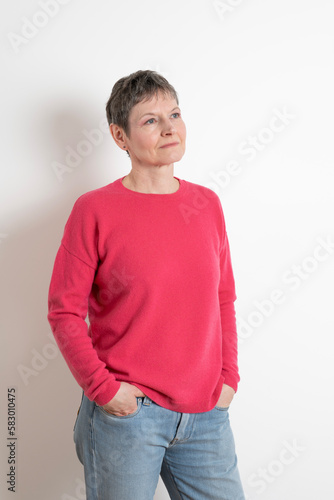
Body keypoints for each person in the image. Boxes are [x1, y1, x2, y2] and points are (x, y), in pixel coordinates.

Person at [47, 69, 245, 500]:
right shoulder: (94, 210)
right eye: (151, 120)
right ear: (120, 137)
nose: (169, 127)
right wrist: (105, 391)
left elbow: (223, 298)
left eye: (174, 113)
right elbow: (63, 311)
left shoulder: (206, 204)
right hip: (129, 415)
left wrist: (228, 377)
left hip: (206, 413)